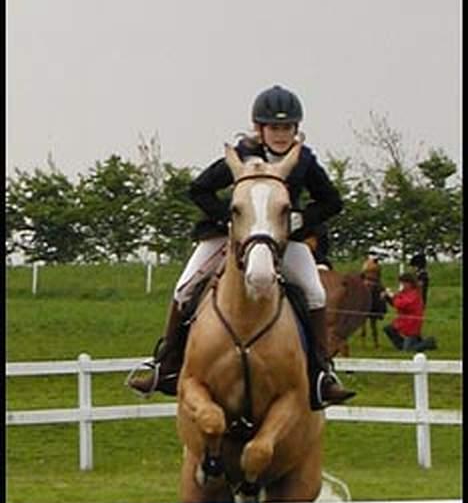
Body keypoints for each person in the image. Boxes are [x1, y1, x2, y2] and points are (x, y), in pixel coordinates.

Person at [127, 85, 355, 409]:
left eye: (287, 127)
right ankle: (165, 365)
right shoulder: (241, 155)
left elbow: (332, 201)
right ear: (259, 129)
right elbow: (199, 189)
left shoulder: (303, 160)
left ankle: (321, 374)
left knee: (315, 293)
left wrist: (300, 220)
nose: (280, 134)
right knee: (184, 288)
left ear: (296, 129)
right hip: (231, 238)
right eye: (274, 127)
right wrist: (230, 222)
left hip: (282, 241)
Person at [382, 272, 436, 352]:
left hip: (411, 325)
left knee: (408, 351)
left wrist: (392, 296)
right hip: (403, 322)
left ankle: (428, 342)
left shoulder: (414, 294)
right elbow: (396, 303)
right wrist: (387, 298)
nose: (402, 285)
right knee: (389, 329)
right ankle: (404, 345)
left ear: (409, 283)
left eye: (403, 283)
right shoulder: (405, 292)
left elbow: (401, 304)